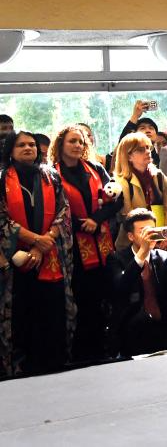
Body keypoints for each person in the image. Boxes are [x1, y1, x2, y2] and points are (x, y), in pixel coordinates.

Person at [0, 131, 75, 375]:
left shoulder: (51, 176)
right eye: (21, 145)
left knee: (51, 313)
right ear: (11, 151)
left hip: (50, 255)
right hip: (15, 261)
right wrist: (34, 241)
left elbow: (64, 211)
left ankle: (53, 364)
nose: (28, 148)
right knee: (21, 316)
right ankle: (21, 368)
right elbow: (2, 218)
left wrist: (45, 241)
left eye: (32, 144)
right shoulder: (2, 179)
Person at [50, 124, 120, 362]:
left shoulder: (96, 168)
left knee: (104, 297)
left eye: (81, 141)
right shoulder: (52, 173)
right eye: (72, 141)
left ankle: (105, 349)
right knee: (82, 300)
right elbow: (54, 210)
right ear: (61, 144)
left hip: (101, 241)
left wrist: (96, 219)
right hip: (72, 246)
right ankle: (81, 354)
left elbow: (116, 201)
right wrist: (82, 225)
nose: (77, 145)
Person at [107, 208, 167, 356]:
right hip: (131, 330)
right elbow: (121, 288)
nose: (150, 236)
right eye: (144, 232)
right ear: (130, 236)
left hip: (163, 327)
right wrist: (143, 252)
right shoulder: (116, 259)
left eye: (152, 230)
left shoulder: (162, 256)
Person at [113, 132, 167, 251]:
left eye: (148, 147)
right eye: (140, 149)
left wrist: (166, 237)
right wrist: (148, 242)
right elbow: (128, 219)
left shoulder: (159, 176)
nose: (147, 152)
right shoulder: (121, 182)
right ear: (128, 156)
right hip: (133, 245)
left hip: (162, 241)